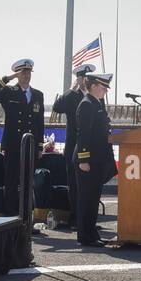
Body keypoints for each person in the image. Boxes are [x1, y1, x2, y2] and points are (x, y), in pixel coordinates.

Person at [0, 59, 45, 215]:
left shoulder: (38, 95)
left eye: (28, 72)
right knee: (11, 182)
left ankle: (26, 218)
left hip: (30, 145)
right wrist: (8, 78)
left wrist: (39, 146)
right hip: (13, 144)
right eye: (23, 72)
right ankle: (10, 217)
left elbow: (39, 123)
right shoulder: (9, 92)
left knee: (28, 183)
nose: (26, 75)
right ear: (17, 74)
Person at [74, 71, 117, 246]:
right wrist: (83, 159)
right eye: (103, 87)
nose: (105, 90)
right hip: (88, 161)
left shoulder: (96, 103)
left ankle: (91, 234)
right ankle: (85, 237)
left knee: (93, 199)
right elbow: (83, 134)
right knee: (87, 199)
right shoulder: (87, 104)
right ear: (93, 86)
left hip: (97, 159)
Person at [52, 64, 95, 230]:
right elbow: (57, 107)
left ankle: (88, 220)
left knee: (90, 185)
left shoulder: (95, 96)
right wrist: (71, 88)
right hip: (74, 147)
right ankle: (76, 219)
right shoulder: (72, 96)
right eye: (85, 77)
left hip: (92, 148)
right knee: (75, 185)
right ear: (80, 78)